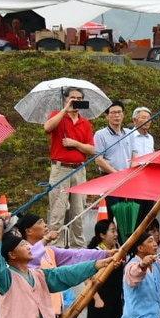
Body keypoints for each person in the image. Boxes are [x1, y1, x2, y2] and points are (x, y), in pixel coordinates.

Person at [43, 88, 97, 247]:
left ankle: (77, 247)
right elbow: (47, 127)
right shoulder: (57, 116)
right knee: (57, 211)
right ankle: (55, 247)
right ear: (65, 99)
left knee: (78, 211)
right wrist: (65, 109)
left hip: (80, 170)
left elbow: (92, 149)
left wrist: (75, 144)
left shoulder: (85, 123)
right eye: (72, 98)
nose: (75, 101)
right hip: (60, 169)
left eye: (79, 98)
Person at [92, 101, 135, 175]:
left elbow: (134, 155)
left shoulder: (129, 133)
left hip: (127, 175)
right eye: (113, 112)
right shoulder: (100, 134)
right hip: (108, 176)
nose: (117, 115)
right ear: (107, 116)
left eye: (119, 112)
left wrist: (130, 173)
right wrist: (116, 174)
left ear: (123, 114)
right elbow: (98, 160)